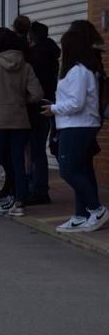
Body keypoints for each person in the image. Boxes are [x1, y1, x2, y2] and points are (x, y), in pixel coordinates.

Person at [0, 27, 42, 221]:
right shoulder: (25, 65)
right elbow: (37, 94)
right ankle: (19, 205)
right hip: (19, 119)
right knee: (19, 162)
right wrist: (20, 100)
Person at [43, 30, 106, 232]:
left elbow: (77, 103)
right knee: (82, 170)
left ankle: (97, 210)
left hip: (78, 125)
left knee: (68, 170)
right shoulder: (80, 70)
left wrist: (53, 109)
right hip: (76, 124)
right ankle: (81, 215)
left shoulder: (79, 71)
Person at [25, 22, 60, 205]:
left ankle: (38, 190)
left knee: (35, 150)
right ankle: (38, 188)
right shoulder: (52, 52)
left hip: (35, 106)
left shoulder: (34, 57)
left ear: (31, 37)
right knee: (38, 149)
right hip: (48, 103)